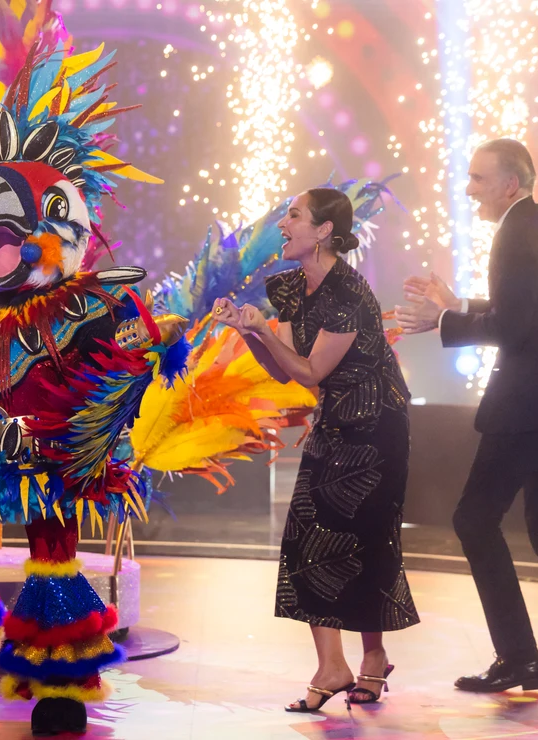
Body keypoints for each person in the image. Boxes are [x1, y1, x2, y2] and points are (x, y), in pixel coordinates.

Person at [394, 138, 538, 692]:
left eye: (477, 179)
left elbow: (515, 327)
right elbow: (529, 310)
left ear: (510, 184)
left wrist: (442, 323)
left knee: (474, 519)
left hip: (532, 403)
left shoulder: (516, 235)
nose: (469, 191)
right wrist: (459, 304)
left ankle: (520, 657)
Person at [213, 188, 418, 712]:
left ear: (324, 230)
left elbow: (311, 371)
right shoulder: (291, 288)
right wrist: (250, 332)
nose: (283, 222)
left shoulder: (346, 294)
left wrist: (261, 329)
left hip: (378, 424)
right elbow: (285, 371)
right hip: (336, 418)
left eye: (294, 214)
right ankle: (346, 664)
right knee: (311, 531)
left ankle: (360, 662)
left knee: (366, 537)